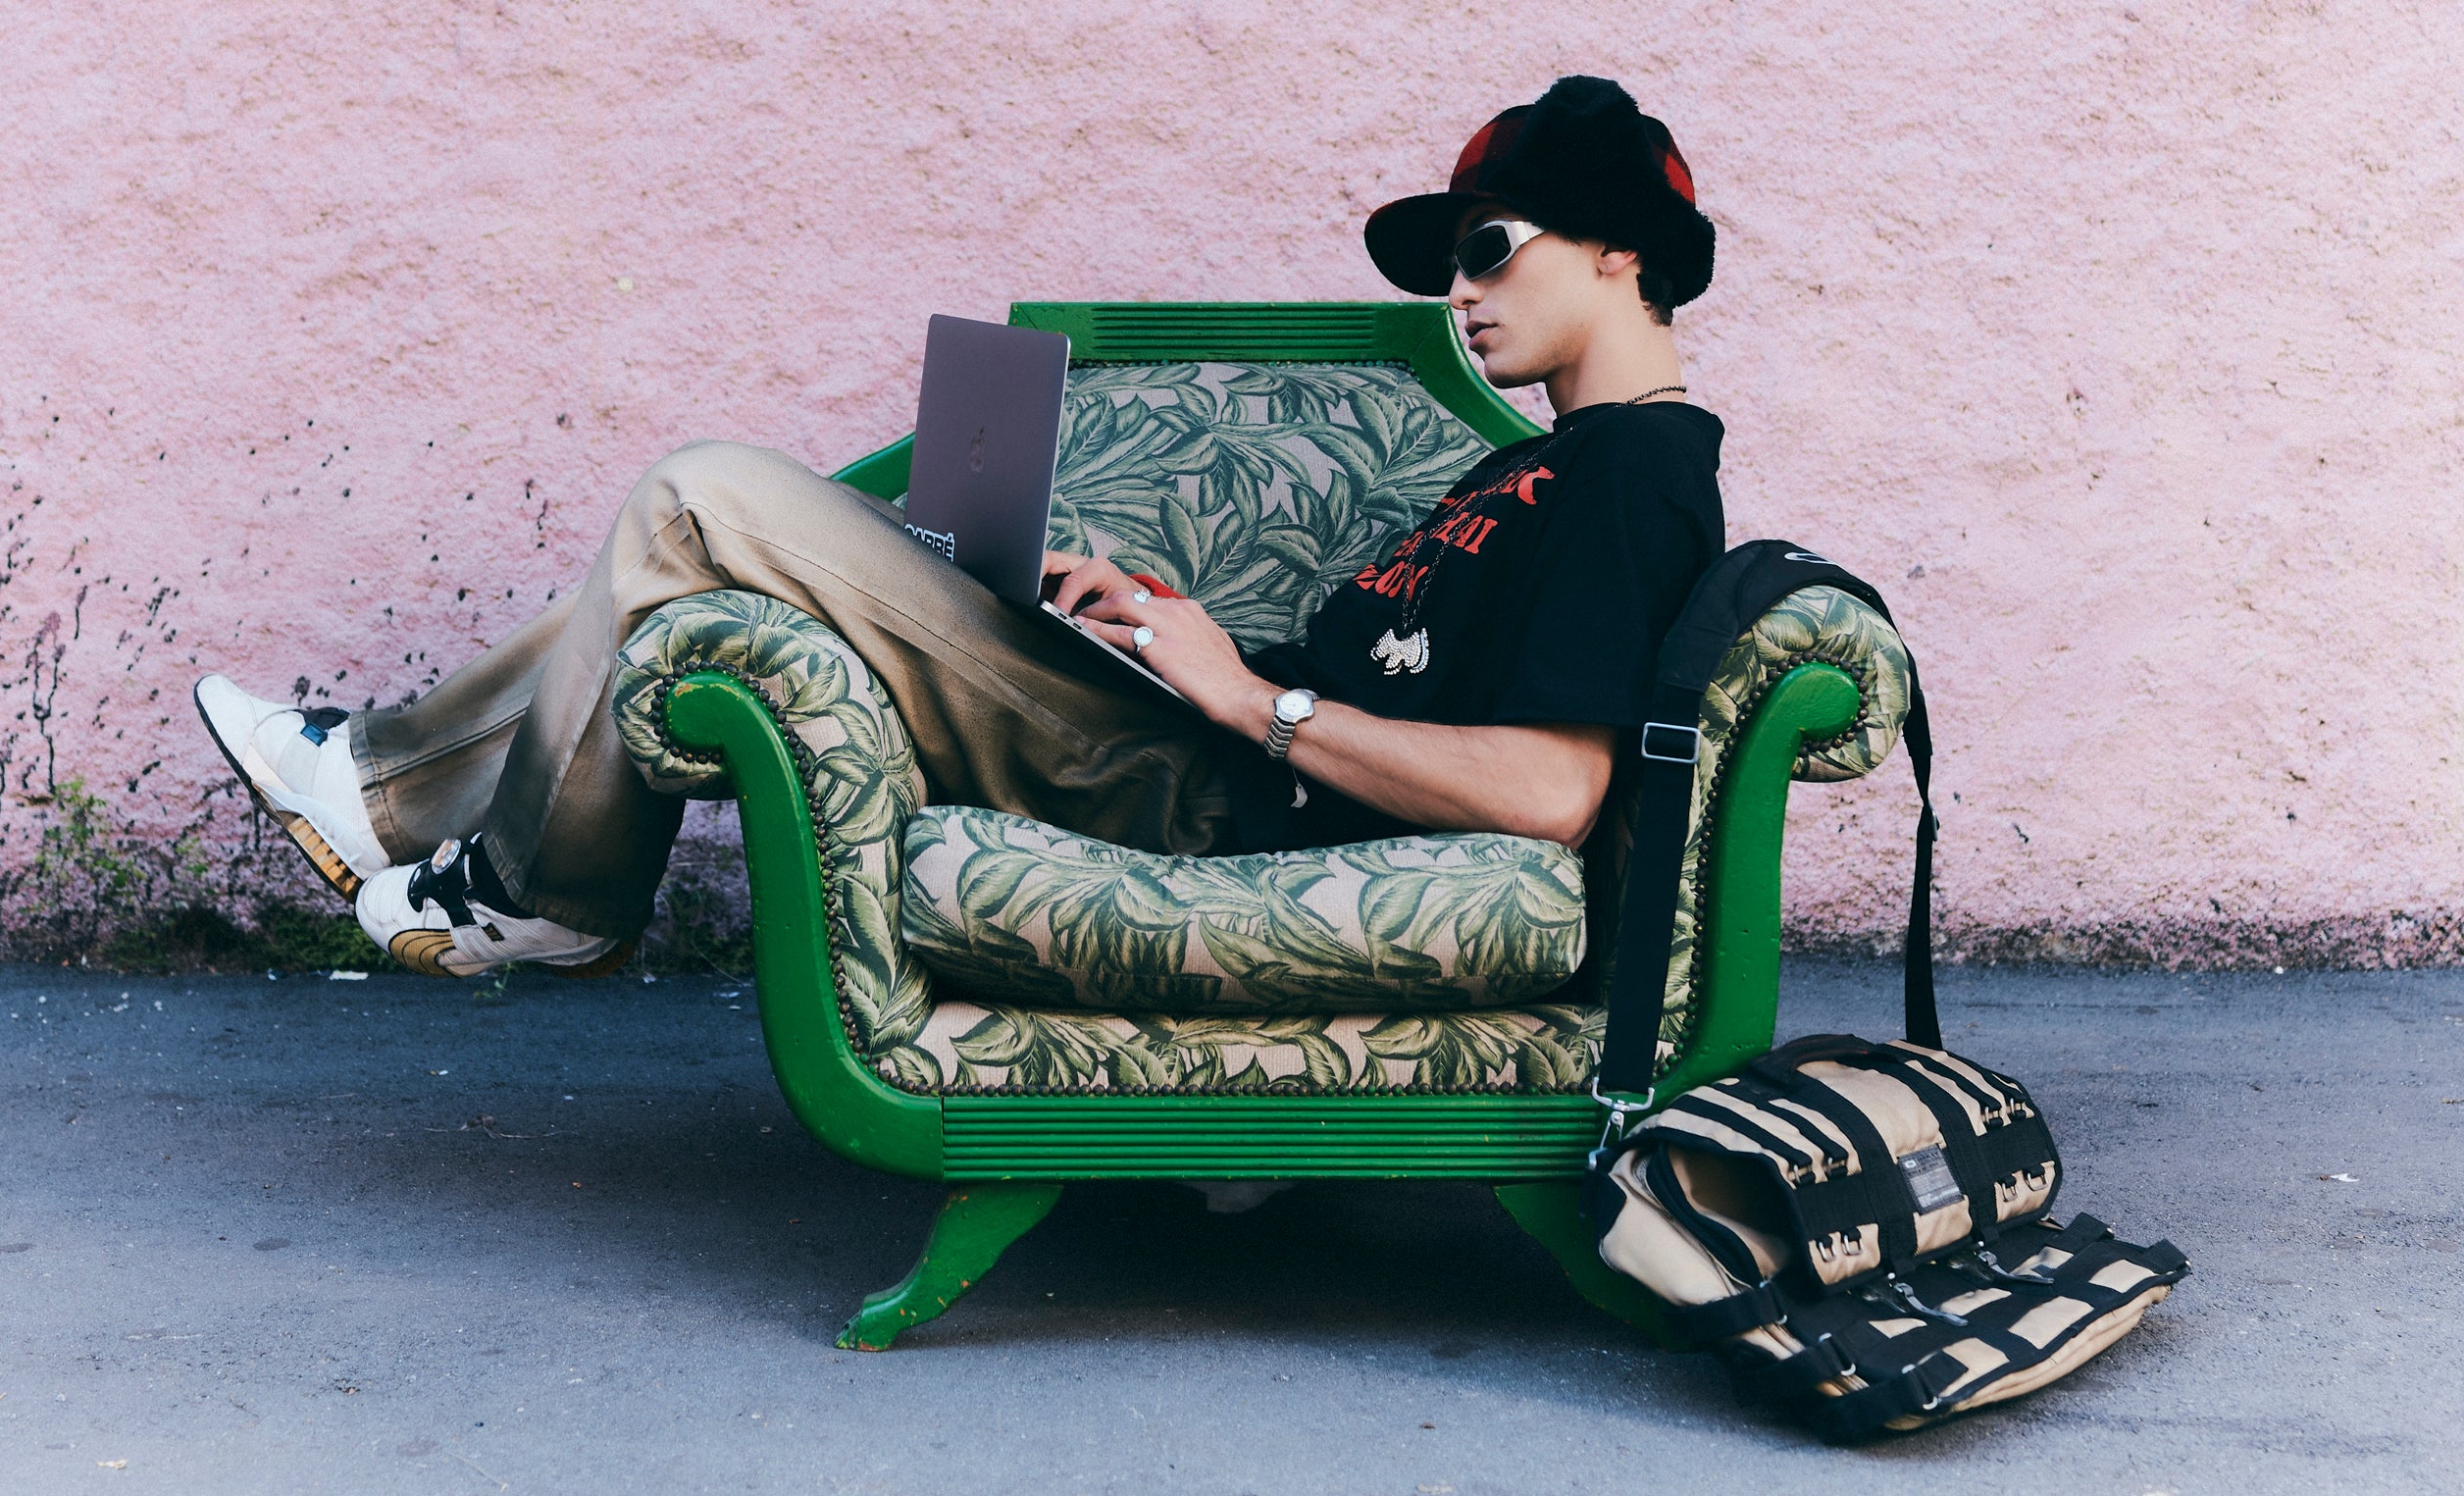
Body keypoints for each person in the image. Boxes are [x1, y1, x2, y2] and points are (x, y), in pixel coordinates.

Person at [194, 76, 1728, 977]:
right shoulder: (1543, 465)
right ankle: (431, 821)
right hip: (1173, 736)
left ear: (1618, 248)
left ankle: (507, 870)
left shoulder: (1634, 475)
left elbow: (1552, 794)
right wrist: (1168, 628)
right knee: (710, 557)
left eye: (1487, 246)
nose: (1458, 291)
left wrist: (1251, 703)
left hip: (1208, 799)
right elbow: (1411, 673)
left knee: (701, 498)